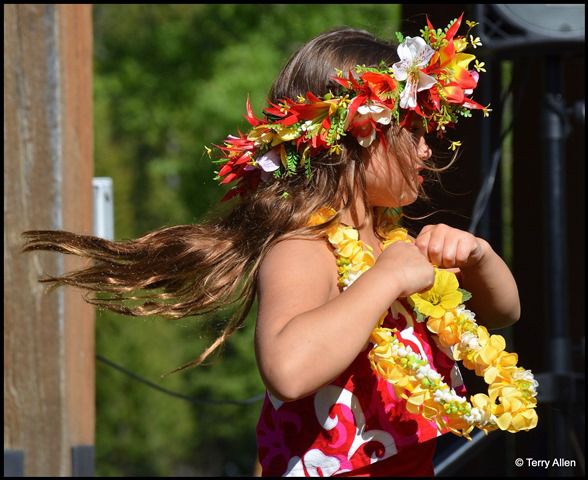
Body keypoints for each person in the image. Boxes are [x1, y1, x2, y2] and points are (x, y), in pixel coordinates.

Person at [23, 14, 535, 477]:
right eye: (413, 128)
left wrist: (478, 256)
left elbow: (505, 312)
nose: (428, 147)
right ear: (358, 132)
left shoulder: (392, 241)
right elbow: (289, 370)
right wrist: (387, 279)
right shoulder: (305, 246)